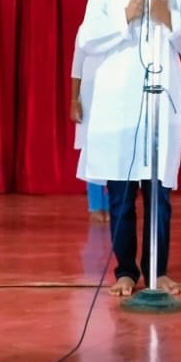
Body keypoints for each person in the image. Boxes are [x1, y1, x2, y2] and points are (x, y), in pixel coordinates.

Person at [77, 0, 181, 297]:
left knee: (157, 194)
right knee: (121, 195)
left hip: (160, 104)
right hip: (117, 103)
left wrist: (170, 19)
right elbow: (87, 40)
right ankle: (125, 272)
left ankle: (157, 271)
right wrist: (125, 16)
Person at [70, 37, 109, 223]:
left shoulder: (124, 23)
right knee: (91, 150)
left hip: (116, 91)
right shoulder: (85, 28)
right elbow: (77, 67)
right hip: (89, 92)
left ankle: (110, 204)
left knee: (113, 148)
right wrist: (74, 100)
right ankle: (95, 205)